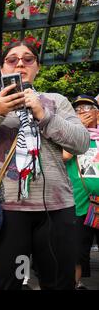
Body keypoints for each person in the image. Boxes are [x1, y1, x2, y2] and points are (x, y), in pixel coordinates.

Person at [0, 40, 90, 290]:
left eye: (28, 59)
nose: (20, 63)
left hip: (56, 208)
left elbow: (81, 143)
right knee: (3, 283)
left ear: (37, 67)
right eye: (12, 59)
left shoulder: (56, 101)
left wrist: (44, 115)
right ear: (1, 69)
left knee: (59, 283)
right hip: (5, 209)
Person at [63, 95, 99, 290]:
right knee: (77, 252)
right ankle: (75, 284)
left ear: (97, 113)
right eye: (77, 110)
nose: (82, 112)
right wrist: (78, 131)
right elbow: (64, 156)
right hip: (80, 202)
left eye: (87, 107)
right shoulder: (71, 136)